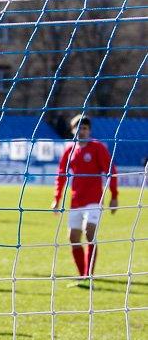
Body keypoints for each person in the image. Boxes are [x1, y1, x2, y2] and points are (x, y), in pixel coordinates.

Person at [51, 115, 118, 282]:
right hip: (76, 200)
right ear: (73, 130)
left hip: (94, 199)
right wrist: (56, 198)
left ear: (89, 131)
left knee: (89, 231)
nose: (81, 131)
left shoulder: (97, 148)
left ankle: (89, 274)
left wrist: (114, 196)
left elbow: (111, 171)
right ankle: (82, 275)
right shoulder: (69, 150)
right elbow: (61, 175)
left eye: (85, 128)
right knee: (73, 238)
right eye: (78, 128)